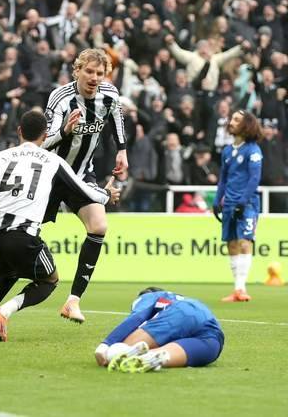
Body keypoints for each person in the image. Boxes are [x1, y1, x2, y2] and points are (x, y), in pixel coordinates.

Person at [0, 111, 120, 342]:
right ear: (45, 135)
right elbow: (84, 191)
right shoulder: (53, 161)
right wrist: (106, 194)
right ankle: (4, 312)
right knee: (49, 280)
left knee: (7, 272)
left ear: (19, 131)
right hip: (23, 236)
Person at [41, 48, 128, 323]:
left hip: (81, 174)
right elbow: (43, 142)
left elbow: (117, 118)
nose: (94, 78)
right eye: (89, 71)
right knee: (25, 231)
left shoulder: (110, 94)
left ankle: (73, 301)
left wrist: (122, 150)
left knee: (99, 227)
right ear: (76, 71)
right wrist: (65, 131)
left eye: (99, 73)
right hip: (51, 174)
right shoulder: (60, 97)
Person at [94, 287, 224, 373]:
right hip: (212, 333)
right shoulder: (178, 298)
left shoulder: (151, 295)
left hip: (179, 313)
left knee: (116, 351)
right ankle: (150, 357)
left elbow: (137, 316)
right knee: (165, 353)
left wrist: (106, 344)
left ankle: (124, 352)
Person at [213, 110, 263, 302]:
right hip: (229, 204)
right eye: (232, 119)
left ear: (246, 125)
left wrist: (243, 201)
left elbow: (254, 179)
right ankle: (237, 289)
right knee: (232, 243)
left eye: (236, 120)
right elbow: (223, 179)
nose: (231, 122)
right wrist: (217, 200)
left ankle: (241, 288)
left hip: (247, 203)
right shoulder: (227, 151)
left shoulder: (253, 150)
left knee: (245, 241)